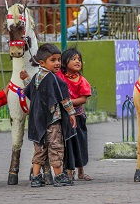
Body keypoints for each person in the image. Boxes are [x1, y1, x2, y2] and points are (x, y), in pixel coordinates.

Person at [22, 43, 77, 187]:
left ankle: (35, 177)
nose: (58, 63)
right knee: (56, 147)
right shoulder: (53, 79)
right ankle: (59, 176)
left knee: (40, 149)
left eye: (59, 59)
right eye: (53, 60)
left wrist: (26, 79)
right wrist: (71, 113)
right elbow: (64, 98)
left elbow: (30, 91)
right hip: (52, 121)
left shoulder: (36, 77)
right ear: (42, 62)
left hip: (36, 121)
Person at [57, 47, 92, 181]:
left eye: (79, 59)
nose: (77, 61)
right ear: (64, 63)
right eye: (73, 59)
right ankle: (68, 171)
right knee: (68, 144)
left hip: (78, 118)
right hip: (64, 118)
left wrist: (67, 102)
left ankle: (81, 171)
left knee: (80, 144)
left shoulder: (82, 81)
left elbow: (83, 99)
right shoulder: (59, 76)